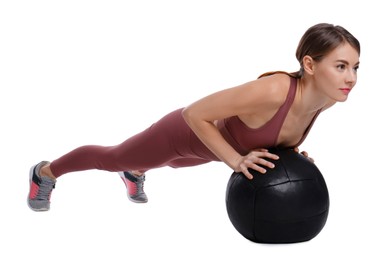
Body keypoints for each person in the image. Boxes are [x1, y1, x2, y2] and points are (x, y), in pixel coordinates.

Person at [28, 23, 360, 211]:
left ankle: (137, 170)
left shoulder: (326, 100)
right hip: (184, 132)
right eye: (341, 66)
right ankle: (45, 172)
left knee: (172, 163)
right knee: (113, 157)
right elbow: (195, 114)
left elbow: (273, 136)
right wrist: (234, 160)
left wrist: (292, 157)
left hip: (206, 152)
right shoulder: (274, 90)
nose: (351, 78)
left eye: (355, 67)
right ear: (310, 64)